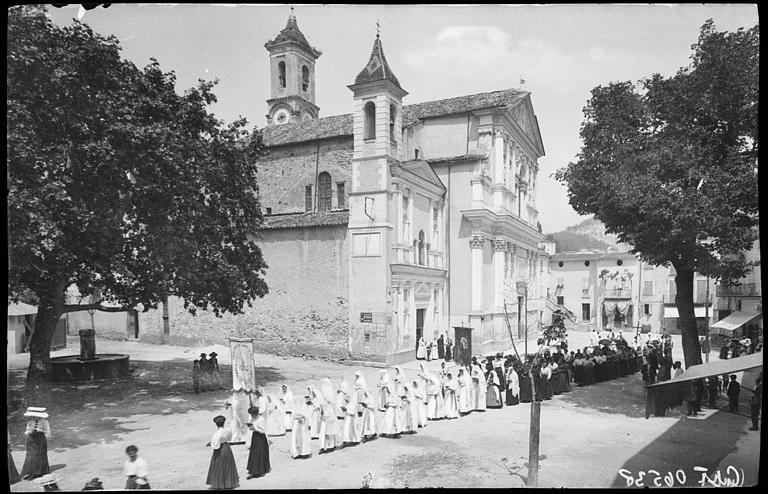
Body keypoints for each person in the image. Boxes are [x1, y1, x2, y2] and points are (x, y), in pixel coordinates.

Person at [205, 415, 239, 490]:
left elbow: (215, 445)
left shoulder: (216, 434)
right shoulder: (228, 430)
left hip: (219, 450)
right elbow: (230, 438)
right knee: (227, 465)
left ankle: (220, 483)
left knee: (219, 466)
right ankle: (228, 483)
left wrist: (210, 444)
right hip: (227, 448)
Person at [20, 407, 51, 480]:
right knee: (31, 455)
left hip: (40, 440)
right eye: (33, 416)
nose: (34, 417)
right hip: (31, 440)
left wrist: (41, 431)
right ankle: (30, 471)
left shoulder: (45, 421)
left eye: (36, 416)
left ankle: (40, 471)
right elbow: (26, 431)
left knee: (40, 454)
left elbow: (48, 432)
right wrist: (30, 431)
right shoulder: (30, 422)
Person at [245, 406, 270, 479]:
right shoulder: (252, 418)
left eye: (252, 414)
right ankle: (253, 471)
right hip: (255, 437)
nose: (251, 416)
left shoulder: (261, 419)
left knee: (260, 453)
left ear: (256, 414)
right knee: (254, 453)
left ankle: (261, 470)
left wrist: (255, 428)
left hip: (261, 438)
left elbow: (263, 431)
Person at [341, 379, 361, 446]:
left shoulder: (352, 404)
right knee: (346, 430)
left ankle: (355, 440)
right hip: (347, 418)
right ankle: (345, 441)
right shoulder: (348, 404)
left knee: (352, 430)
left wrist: (346, 409)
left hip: (351, 420)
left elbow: (352, 412)